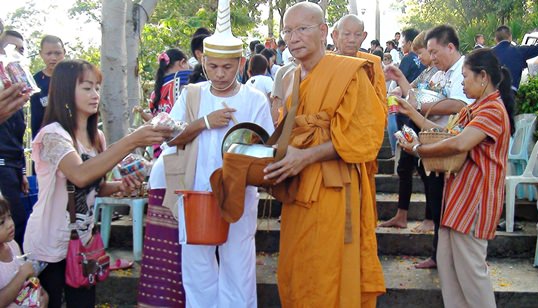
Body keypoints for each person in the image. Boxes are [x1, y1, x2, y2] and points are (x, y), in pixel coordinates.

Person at [147, 1, 274, 306]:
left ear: (241, 63)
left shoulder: (254, 98)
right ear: (203, 62)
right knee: (197, 266)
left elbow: (266, 148)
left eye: (227, 67)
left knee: (238, 266)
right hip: (195, 190)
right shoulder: (193, 94)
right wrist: (205, 122)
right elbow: (170, 136)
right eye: (213, 66)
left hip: (239, 193)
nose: (219, 74)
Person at [264, 2, 385, 306]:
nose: (293, 37)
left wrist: (305, 156)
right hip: (297, 186)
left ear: (322, 31)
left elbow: (362, 134)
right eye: (288, 31)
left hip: (333, 187)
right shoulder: (292, 77)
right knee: (297, 267)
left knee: (328, 268)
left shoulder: (348, 73)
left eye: (302, 29)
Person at [23, 60, 172, 308]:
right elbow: (79, 174)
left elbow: (95, 186)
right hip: (49, 246)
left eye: (97, 88)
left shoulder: (97, 137)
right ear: (65, 91)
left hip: (83, 244)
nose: (95, 95)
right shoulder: (53, 135)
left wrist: (121, 187)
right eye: (87, 88)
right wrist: (132, 140)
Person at [397, 48, 515, 308]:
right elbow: (445, 132)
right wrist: (412, 112)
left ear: (482, 77)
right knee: (449, 270)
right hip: (458, 199)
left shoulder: (493, 109)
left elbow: (459, 144)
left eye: (465, 77)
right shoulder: (474, 109)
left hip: (475, 201)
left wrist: (419, 150)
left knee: (472, 275)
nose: (461, 83)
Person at [381, 25, 474, 270]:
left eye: (434, 52)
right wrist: (402, 84)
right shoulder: (438, 72)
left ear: (450, 47)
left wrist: (422, 108)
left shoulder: (463, 71)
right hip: (436, 145)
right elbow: (416, 97)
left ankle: (448, 258)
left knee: (446, 206)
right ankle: (439, 255)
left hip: (455, 149)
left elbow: (460, 104)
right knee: (435, 200)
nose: (430, 58)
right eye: (428, 53)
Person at [135, 50, 192, 308]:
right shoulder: (188, 82)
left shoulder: (159, 89)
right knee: (180, 248)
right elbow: (181, 130)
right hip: (179, 168)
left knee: (160, 252)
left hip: (161, 162)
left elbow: (160, 124)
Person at [332, 13, 388, 219]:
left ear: (364, 36)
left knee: (362, 200)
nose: (351, 39)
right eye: (346, 34)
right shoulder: (326, 62)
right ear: (334, 35)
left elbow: (380, 101)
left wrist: (368, 132)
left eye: (357, 34)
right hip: (333, 143)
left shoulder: (372, 62)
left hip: (363, 141)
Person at [0, 30, 29, 248]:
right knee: (14, 220)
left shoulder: (18, 93)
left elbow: (17, 141)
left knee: (17, 220)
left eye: (20, 50)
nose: (15, 55)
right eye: (10, 49)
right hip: (2, 165)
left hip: (13, 166)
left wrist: (22, 173)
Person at [0, 196, 48, 308]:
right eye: (2, 222)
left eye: (9, 217)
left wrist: (42, 295)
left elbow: (28, 281)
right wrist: (23, 274)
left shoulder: (12, 245)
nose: (10, 224)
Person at [30, 35, 66, 139]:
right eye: (49, 53)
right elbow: (36, 116)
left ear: (64, 52)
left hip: (71, 134)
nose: (53, 58)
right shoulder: (35, 81)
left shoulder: (73, 77)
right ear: (41, 54)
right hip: (45, 136)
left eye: (57, 53)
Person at [492, 25, 538, 91]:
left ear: (496, 39)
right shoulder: (519, 50)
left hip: (493, 93)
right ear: (510, 37)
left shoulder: (489, 53)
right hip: (511, 93)